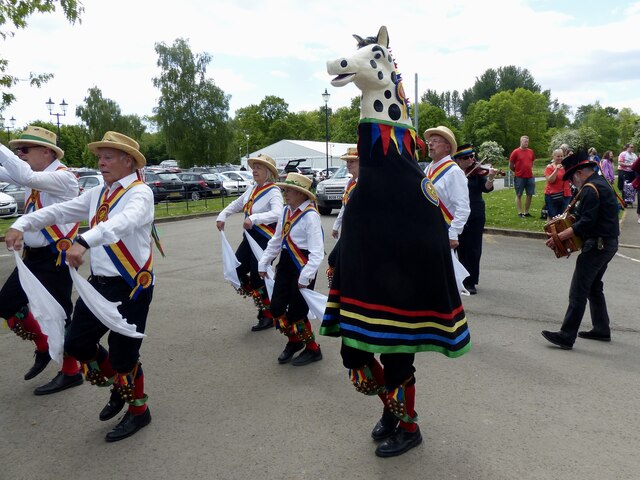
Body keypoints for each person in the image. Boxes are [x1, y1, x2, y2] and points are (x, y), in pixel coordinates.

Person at [5, 131, 155, 442]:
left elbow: (123, 223)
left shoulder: (140, 194)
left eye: (108, 157)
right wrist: (22, 223)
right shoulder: (99, 193)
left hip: (130, 286)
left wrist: (84, 240)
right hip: (98, 285)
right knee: (77, 344)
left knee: (124, 354)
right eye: (100, 156)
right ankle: (119, 385)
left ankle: (138, 411)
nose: (100, 162)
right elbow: (59, 211)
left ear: (128, 161)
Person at [0, 125, 83, 395]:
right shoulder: (34, 176)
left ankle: (72, 371)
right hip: (33, 257)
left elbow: (22, 175)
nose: (19, 154)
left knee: (60, 314)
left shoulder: (64, 177)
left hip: (56, 257)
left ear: (46, 151)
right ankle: (44, 345)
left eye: (24, 149)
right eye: (16, 150)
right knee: (6, 304)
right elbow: (12, 172)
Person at [541, 150, 619, 350]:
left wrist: (559, 236)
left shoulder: (590, 189)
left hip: (598, 245)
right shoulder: (600, 184)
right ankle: (601, 329)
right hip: (607, 243)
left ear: (579, 173)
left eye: (571, 178)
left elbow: (585, 222)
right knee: (593, 287)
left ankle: (566, 336)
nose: (572, 182)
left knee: (579, 290)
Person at [258, 172, 323, 366]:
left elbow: (317, 253)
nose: (285, 193)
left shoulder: (311, 216)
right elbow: (277, 240)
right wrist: (264, 262)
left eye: (290, 190)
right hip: (286, 262)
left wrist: (305, 277)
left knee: (297, 312)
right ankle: (294, 342)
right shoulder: (286, 211)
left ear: (302, 194)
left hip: (303, 266)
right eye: (285, 189)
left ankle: (313, 349)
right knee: (277, 307)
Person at [216, 154, 283, 331]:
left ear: (268, 172)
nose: (254, 170)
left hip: (265, 240)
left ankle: (267, 315)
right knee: (235, 270)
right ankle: (264, 301)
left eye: (259, 167)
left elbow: (278, 213)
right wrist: (222, 215)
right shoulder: (252, 189)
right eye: (253, 167)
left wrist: (255, 218)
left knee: (257, 276)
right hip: (250, 238)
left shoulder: (273, 191)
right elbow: (238, 204)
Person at [452, 144, 496, 295]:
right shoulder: (453, 172)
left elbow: (486, 187)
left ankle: (471, 281)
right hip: (456, 215)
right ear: (458, 160)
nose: (471, 160)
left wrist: (490, 177)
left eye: (472, 156)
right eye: (466, 158)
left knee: (473, 248)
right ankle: (459, 278)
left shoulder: (477, 173)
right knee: (458, 247)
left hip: (475, 214)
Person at [423, 126, 470, 249]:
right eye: (430, 141)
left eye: (436, 141)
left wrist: (453, 233)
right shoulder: (428, 168)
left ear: (447, 147)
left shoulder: (454, 172)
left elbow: (463, 207)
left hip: (444, 230)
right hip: (429, 229)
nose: (430, 144)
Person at [327, 148, 359, 286]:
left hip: (357, 230)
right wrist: (336, 226)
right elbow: (344, 207)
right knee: (335, 259)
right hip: (348, 229)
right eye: (347, 162)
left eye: (352, 161)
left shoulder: (364, 183)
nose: (348, 164)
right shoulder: (349, 182)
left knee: (334, 258)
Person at [509, 135, 536, 217]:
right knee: (519, 194)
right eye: (525, 141)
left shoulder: (531, 151)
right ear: (521, 142)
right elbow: (511, 164)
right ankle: (520, 212)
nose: (526, 143)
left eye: (527, 142)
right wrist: (516, 171)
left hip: (530, 176)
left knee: (530, 194)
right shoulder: (515, 152)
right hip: (519, 177)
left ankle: (526, 212)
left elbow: (532, 162)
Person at [543, 148, 571, 219]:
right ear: (554, 156)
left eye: (561, 156)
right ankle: (550, 230)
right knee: (553, 216)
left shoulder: (565, 167)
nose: (560, 158)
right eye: (558, 156)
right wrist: (556, 170)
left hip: (565, 194)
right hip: (552, 195)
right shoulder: (549, 167)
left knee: (562, 216)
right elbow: (550, 180)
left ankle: (561, 230)